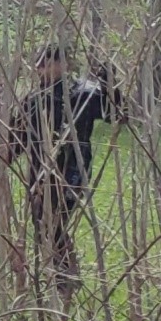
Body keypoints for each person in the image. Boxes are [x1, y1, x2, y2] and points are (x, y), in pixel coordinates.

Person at [21, 45, 110, 286]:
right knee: (42, 224)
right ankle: (60, 275)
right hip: (39, 170)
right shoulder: (33, 100)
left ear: (61, 64)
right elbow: (17, 137)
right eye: (37, 66)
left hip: (73, 168)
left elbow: (116, 113)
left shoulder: (84, 93)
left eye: (46, 64)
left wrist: (108, 80)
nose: (40, 71)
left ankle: (66, 277)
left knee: (54, 221)